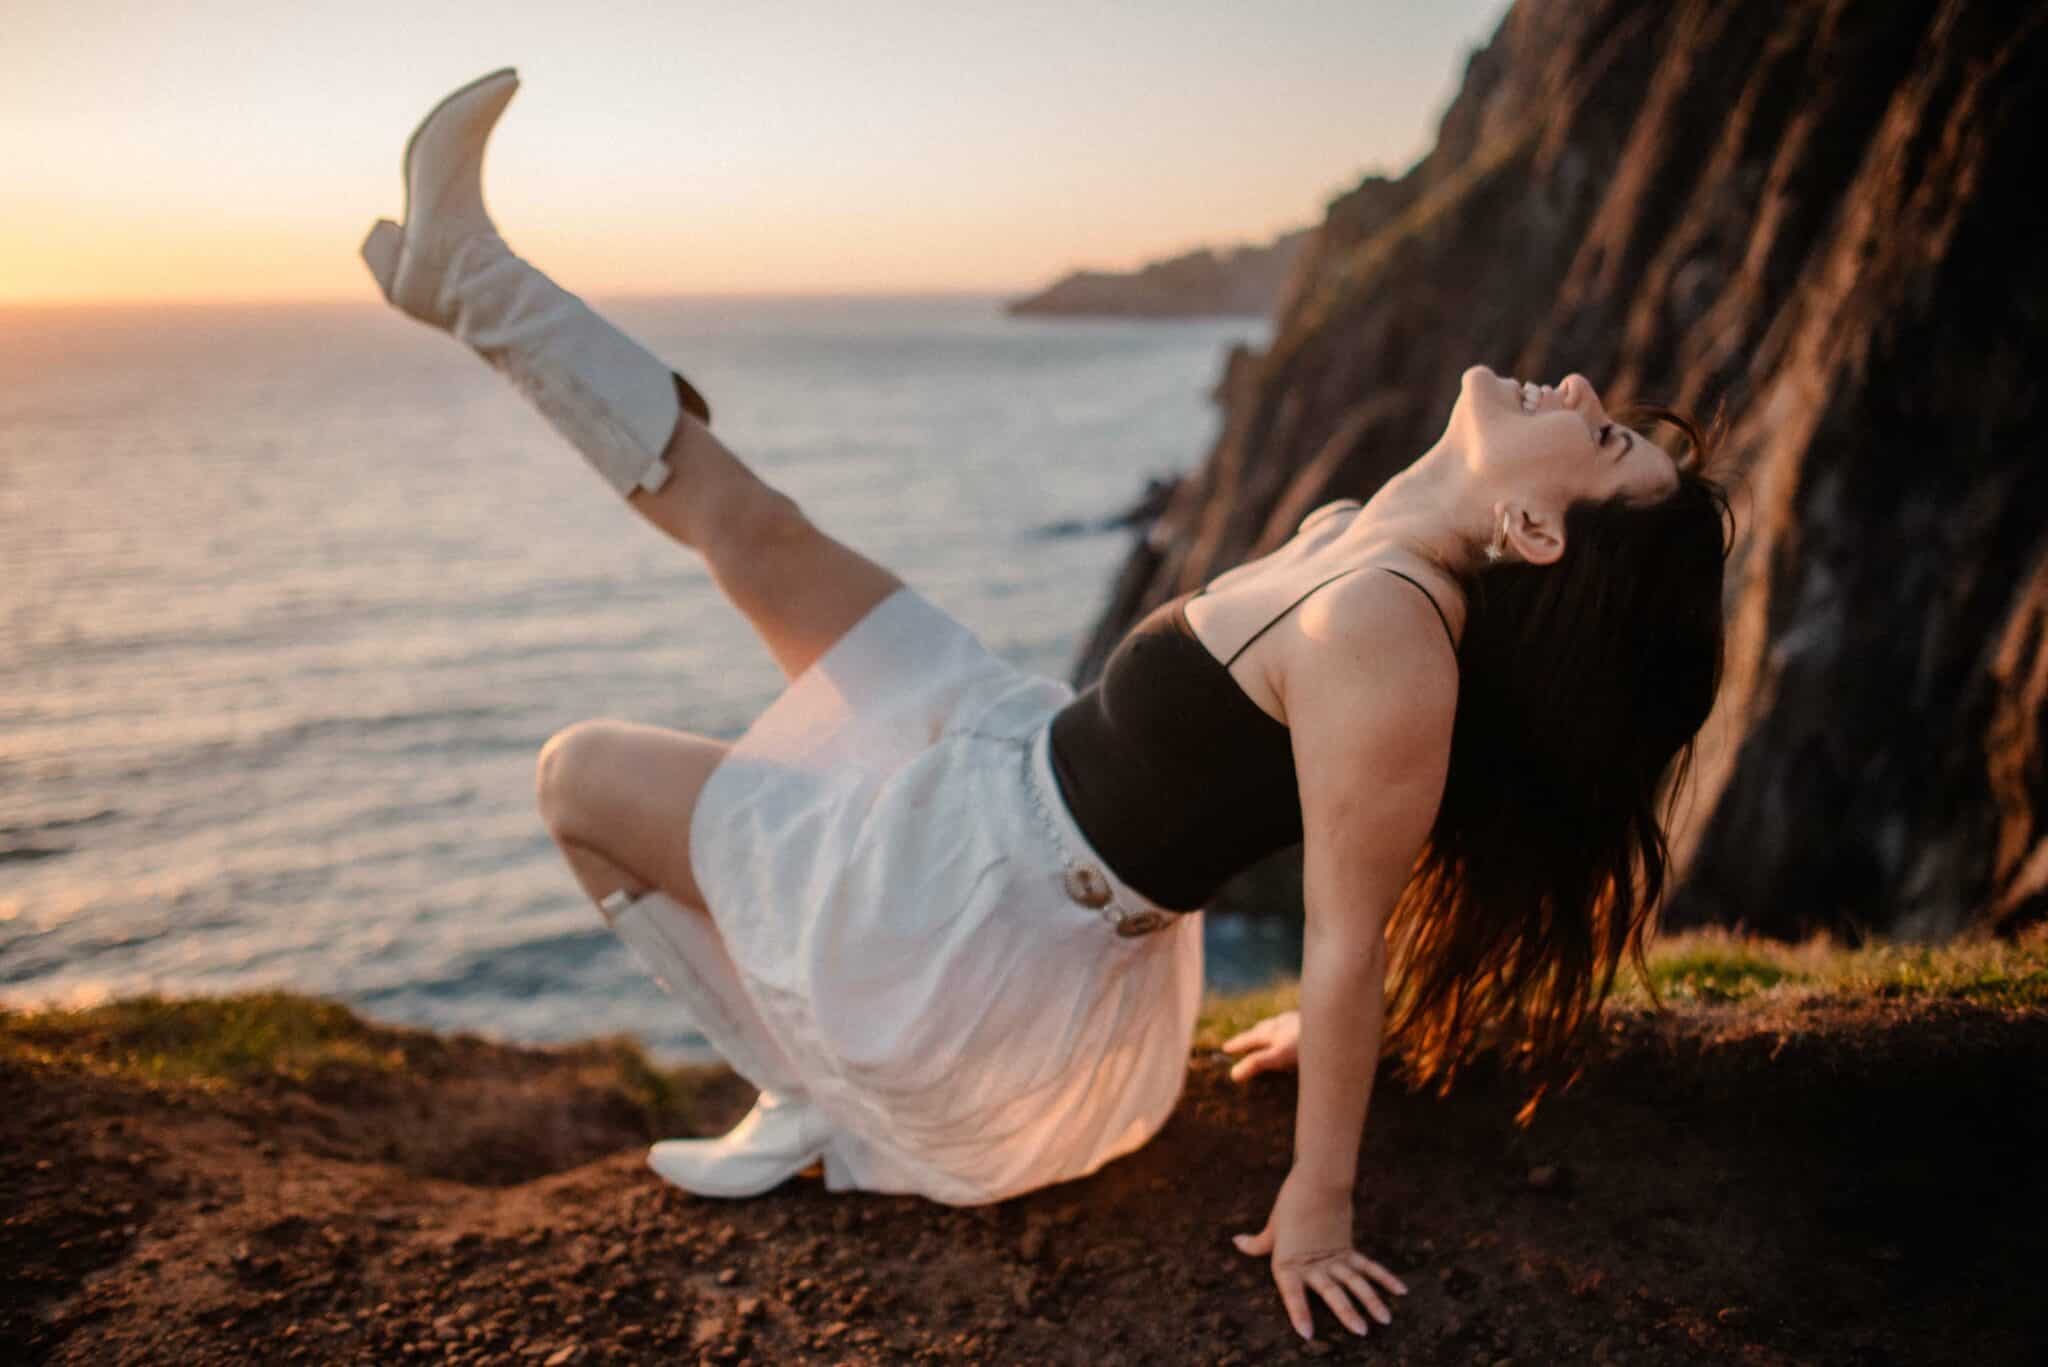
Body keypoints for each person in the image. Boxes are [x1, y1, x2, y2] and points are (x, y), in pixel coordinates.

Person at [361, 69, 1732, 1345]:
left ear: (1539, 533)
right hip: (1008, 745)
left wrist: (1317, 1202)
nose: (1586, 395)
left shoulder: (1390, 631)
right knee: (753, 525)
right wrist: (1331, 1020)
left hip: (996, 902)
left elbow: (1347, 929)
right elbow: (1393, 813)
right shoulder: (1364, 542)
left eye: (1601, 442)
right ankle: (464, 274)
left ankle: (799, 1083)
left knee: (578, 777)